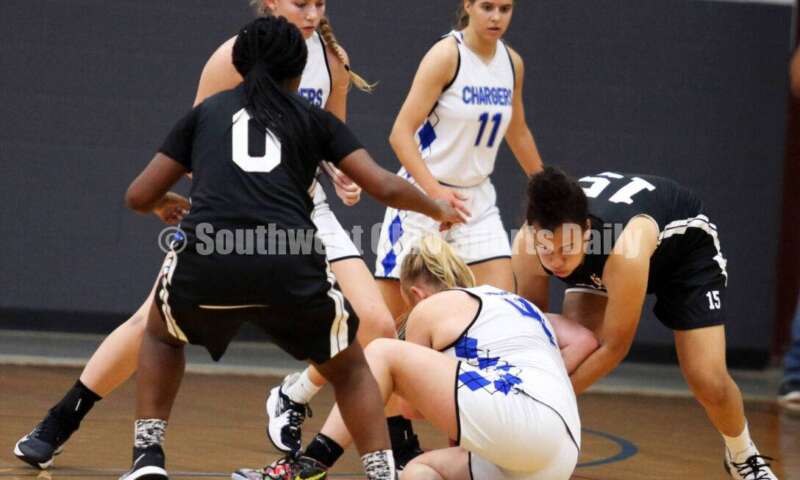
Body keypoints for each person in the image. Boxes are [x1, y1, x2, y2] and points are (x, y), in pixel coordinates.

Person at [13, 0, 399, 470]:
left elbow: (332, 136)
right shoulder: (233, 56)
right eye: (301, 3)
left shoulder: (332, 61)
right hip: (234, 205)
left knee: (377, 324)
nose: (312, 13)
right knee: (151, 318)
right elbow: (200, 142)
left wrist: (341, 174)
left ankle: (293, 397)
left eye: (320, 3)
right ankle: (61, 420)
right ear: (271, 2)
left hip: (305, 207)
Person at [118, 16, 464, 480]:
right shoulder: (313, 118)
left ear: (239, 65)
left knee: (162, 333)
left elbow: (137, 196)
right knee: (352, 366)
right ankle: (383, 473)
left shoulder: (205, 114)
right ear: (298, 73)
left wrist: (165, 204)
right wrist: (435, 205)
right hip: (288, 257)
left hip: (211, 254)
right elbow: (383, 185)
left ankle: (147, 459)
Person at [233, 236, 580, 480]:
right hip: (558, 455)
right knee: (420, 470)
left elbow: (412, 409)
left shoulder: (430, 309)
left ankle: (308, 465)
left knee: (383, 352)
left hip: (522, 422)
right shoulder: (516, 306)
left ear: (416, 294)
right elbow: (585, 339)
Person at [512, 167, 778, 480]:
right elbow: (531, 334)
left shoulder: (625, 247)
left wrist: (546, 402)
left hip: (684, 256)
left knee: (708, 379)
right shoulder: (526, 245)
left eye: (566, 249)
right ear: (532, 232)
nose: (555, 262)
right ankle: (538, 446)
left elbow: (616, 347)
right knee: (572, 351)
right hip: (607, 258)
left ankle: (742, 455)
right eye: (547, 250)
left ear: (586, 230)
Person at [370, 0, 543, 454]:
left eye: (505, 8)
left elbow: (518, 130)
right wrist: (432, 197)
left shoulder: (512, 62)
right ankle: (394, 434)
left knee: (499, 314)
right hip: (422, 198)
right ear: (468, 6)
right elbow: (400, 133)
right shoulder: (446, 55)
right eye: (487, 6)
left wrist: (546, 191)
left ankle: (473, 433)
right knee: (390, 325)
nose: (497, 16)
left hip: (476, 202)